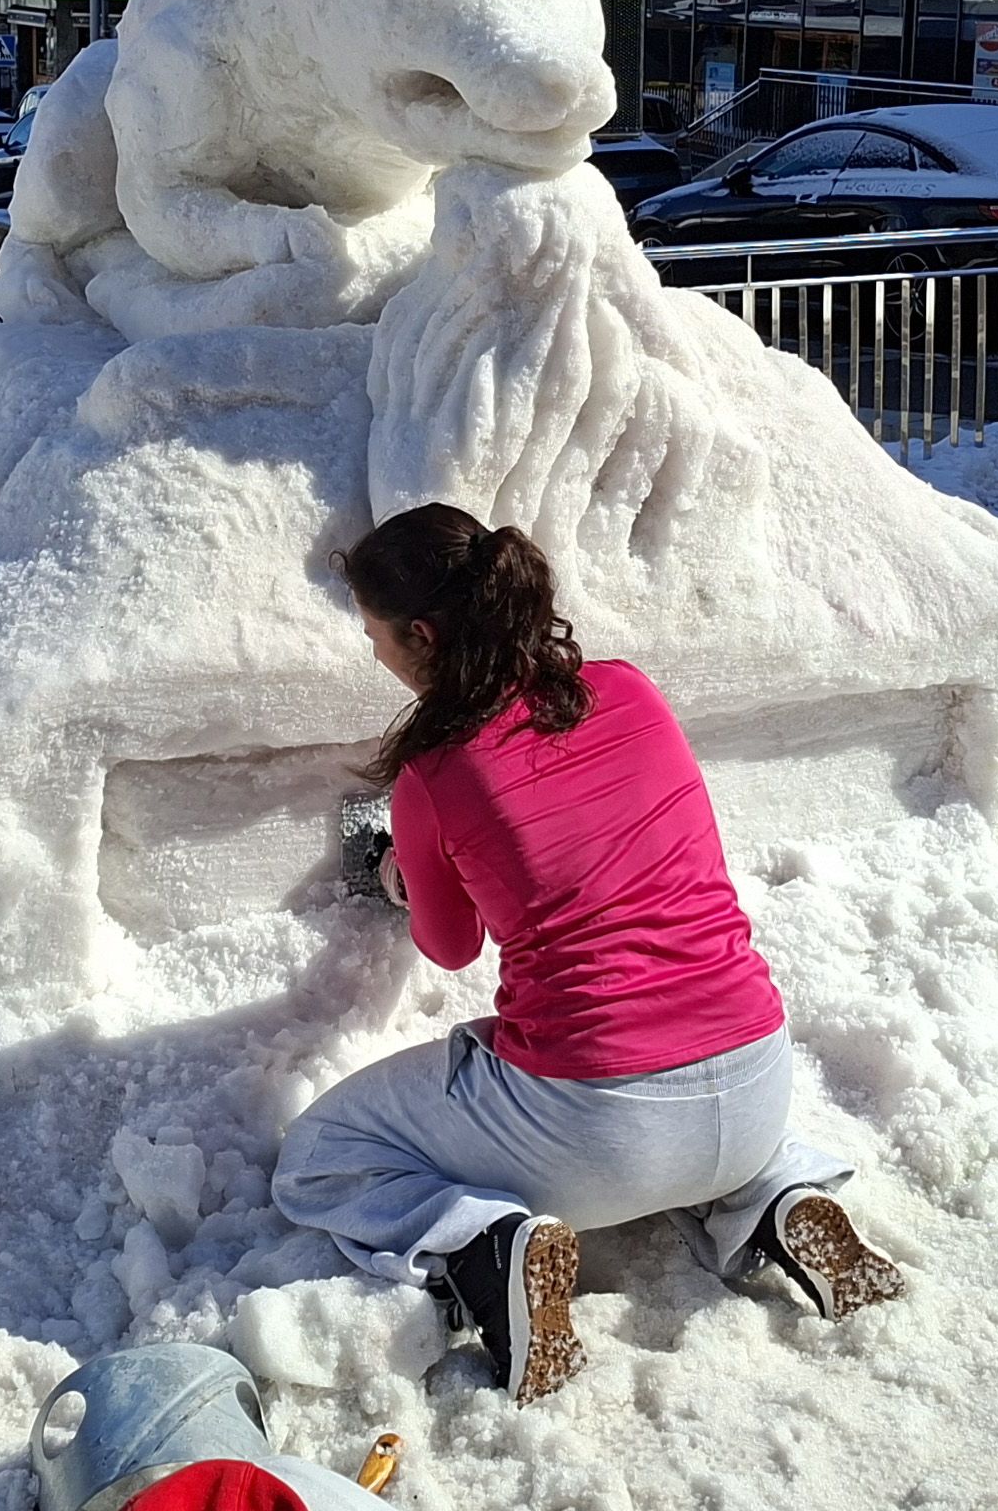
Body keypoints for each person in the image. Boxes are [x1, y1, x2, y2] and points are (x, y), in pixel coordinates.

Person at [271, 505, 902, 1402]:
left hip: (598, 1131)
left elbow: (449, 948)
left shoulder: (435, 777)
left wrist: (410, 871)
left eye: (373, 633)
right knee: (687, 1095)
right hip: (757, 1081)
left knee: (322, 1151)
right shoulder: (632, 691)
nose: (372, 652)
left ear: (418, 634)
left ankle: (485, 1245)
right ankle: (780, 1197)